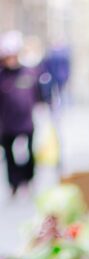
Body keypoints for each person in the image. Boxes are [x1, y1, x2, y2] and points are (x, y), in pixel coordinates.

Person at [0, 31, 42, 195]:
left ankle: (28, 179)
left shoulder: (29, 73)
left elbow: (37, 95)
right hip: (7, 123)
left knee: (29, 152)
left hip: (26, 121)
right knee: (10, 155)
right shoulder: (2, 76)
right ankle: (14, 183)